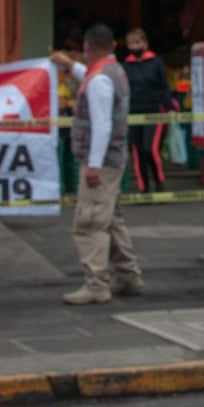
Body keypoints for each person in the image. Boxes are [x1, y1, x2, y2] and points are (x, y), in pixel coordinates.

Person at [50, 23, 144, 305]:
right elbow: (92, 79)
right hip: (112, 159)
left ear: (88, 48)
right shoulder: (110, 72)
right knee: (110, 219)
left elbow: (101, 125)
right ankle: (128, 275)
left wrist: (93, 165)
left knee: (90, 222)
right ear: (112, 46)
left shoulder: (99, 79)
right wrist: (70, 65)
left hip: (101, 162)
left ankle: (96, 283)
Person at [122, 27, 179, 192]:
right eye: (131, 44)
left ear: (145, 44)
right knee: (137, 152)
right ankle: (143, 188)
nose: (135, 47)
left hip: (154, 111)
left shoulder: (156, 62)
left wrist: (169, 108)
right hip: (133, 112)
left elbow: (164, 87)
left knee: (150, 149)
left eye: (137, 43)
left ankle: (159, 183)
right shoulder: (126, 65)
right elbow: (124, 91)